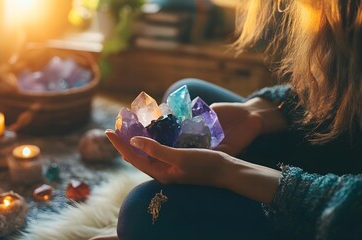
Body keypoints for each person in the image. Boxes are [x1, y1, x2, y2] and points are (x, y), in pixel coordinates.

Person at [103, 0, 362, 239]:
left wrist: (227, 171)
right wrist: (262, 113)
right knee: (188, 92)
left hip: (342, 214)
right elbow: (341, 98)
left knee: (141, 211)